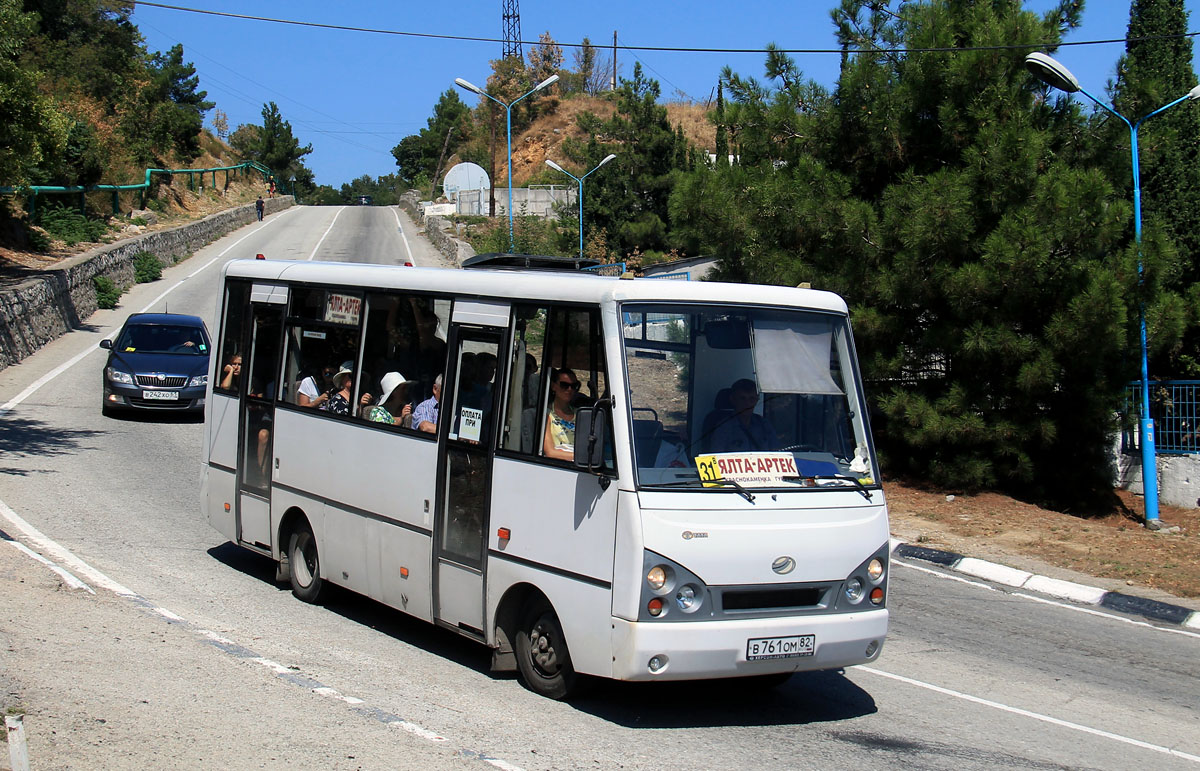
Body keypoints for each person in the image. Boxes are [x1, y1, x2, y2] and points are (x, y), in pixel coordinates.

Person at [709, 378, 778, 452]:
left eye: (752, 399)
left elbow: (777, 453)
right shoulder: (723, 428)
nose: (747, 403)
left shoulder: (764, 424)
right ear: (733, 399)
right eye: (742, 398)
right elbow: (715, 459)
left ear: (757, 400)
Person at [543, 368, 579, 461]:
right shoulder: (546, 415)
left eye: (574, 386)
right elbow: (550, 452)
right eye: (564, 385)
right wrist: (583, 458)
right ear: (554, 386)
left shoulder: (581, 415)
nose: (569, 389)